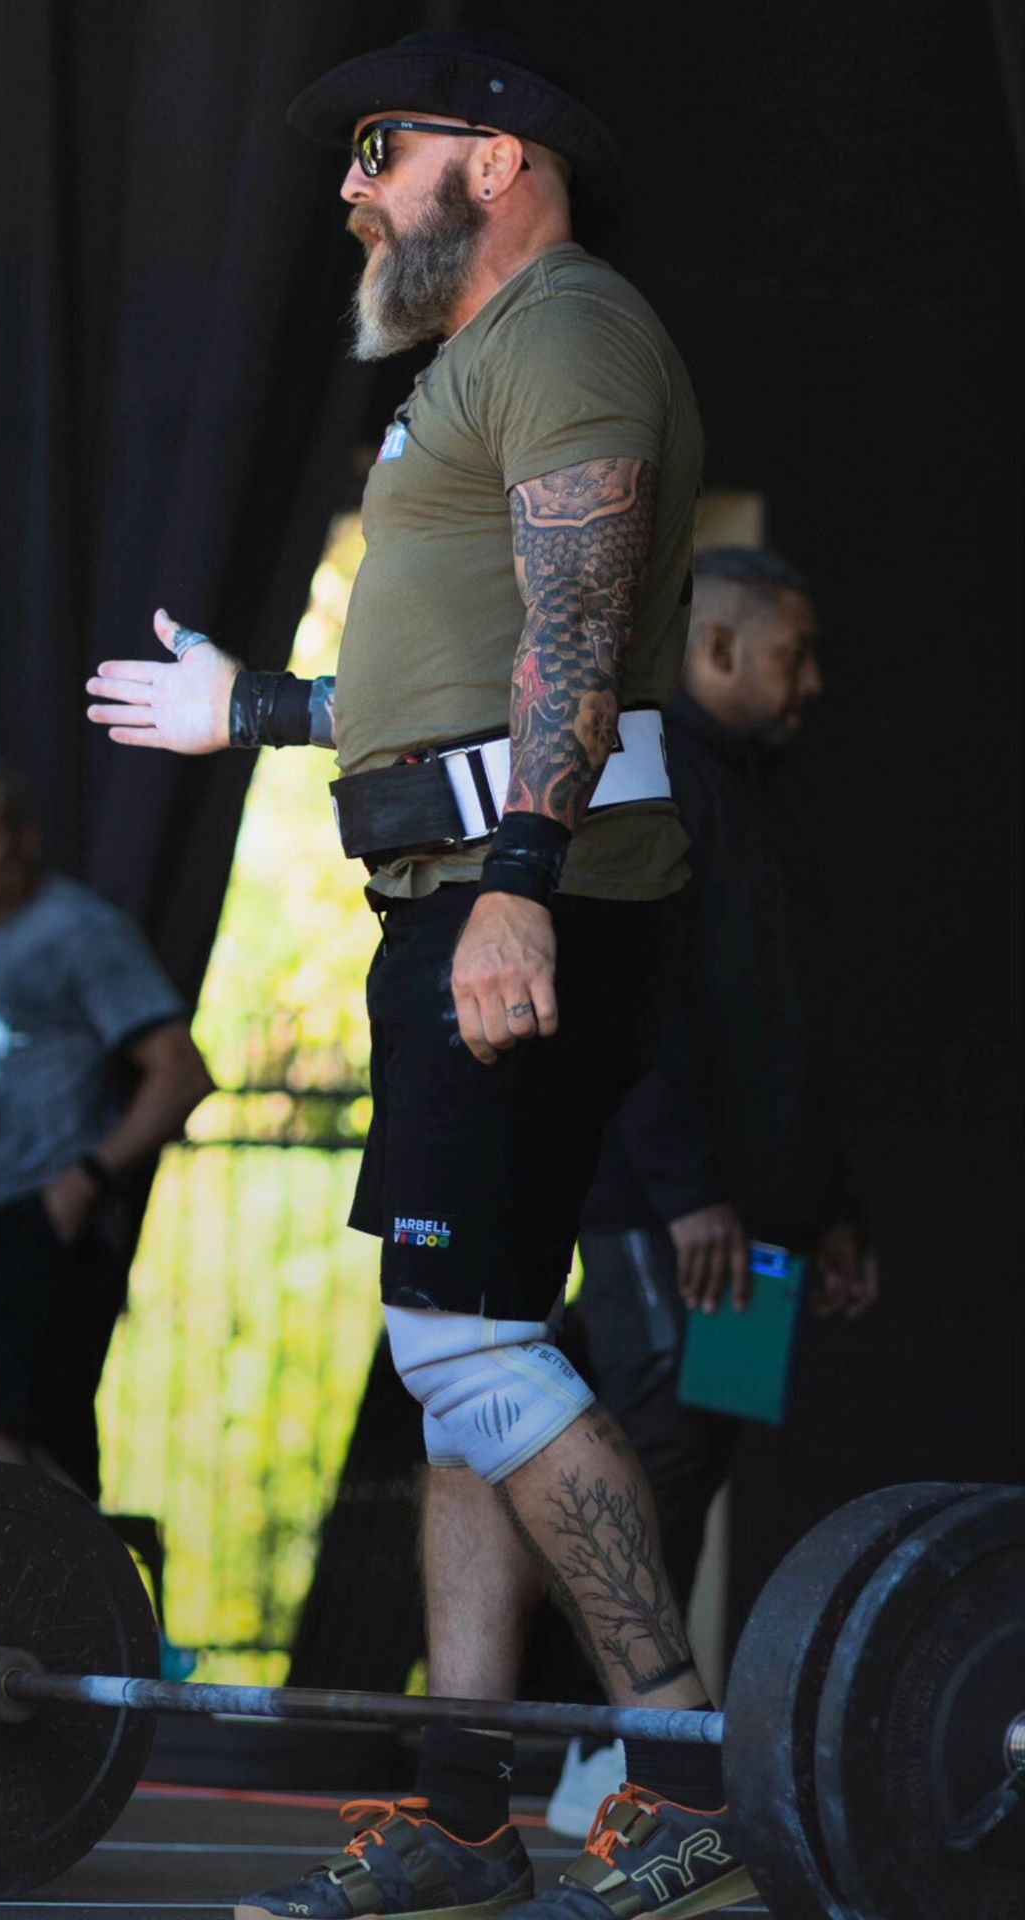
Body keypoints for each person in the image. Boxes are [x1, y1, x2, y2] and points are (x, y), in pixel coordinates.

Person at [86, 27, 756, 1919]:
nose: (354, 183)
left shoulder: (567, 333)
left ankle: (680, 1772)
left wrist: (521, 886)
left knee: (461, 1345)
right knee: (478, 1343)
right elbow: (451, 669)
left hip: (516, 896)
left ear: (504, 158)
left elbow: (571, 624)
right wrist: (266, 710)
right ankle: (472, 1814)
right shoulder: (485, 361)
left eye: (386, 145)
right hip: (467, 885)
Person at [548, 547, 879, 1835]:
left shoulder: (751, 792)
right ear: (719, 648)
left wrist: (827, 1205)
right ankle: (603, 1762)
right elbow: (638, 1013)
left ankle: (636, 1766)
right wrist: (688, 1194)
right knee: (650, 1463)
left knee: (702, 1454)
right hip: (668, 1216)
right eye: (791, 654)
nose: (812, 682)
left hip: (764, 1226)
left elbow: (773, 1030)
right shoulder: (653, 773)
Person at [0, 754, 213, 1502]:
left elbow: (181, 1072)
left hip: (40, 1224)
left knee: (7, 1434)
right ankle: (30, 1606)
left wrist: (84, 1183)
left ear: (23, 839)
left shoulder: (81, 933)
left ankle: (50, 1610)